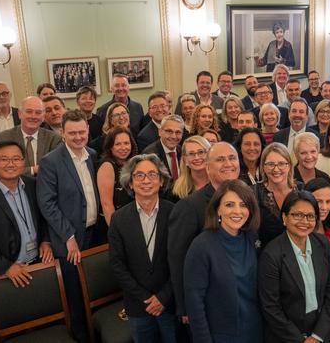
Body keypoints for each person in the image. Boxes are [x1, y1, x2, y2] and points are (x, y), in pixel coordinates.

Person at [37, 110, 101, 341]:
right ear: (62, 133)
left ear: (87, 131)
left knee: (93, 289)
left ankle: (96, 331)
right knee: (74, 295)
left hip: (94, 234)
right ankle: (81, 337)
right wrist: (69, 236)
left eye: (81, 132)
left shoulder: (93, 154)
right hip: (69, 241)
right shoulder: (50, 161)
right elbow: (47, 203)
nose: (77, 137)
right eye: (72, 133)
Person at [167, 142, 240, 324]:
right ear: (208, 167)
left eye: (232, 158)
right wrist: (184, 306)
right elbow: (177, 258)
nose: (228, 164)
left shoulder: (246, 198)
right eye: (220, 159)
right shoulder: (189, 207)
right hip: (208, 301)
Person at [184, 180, 263, 343]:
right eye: (229, 205)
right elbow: (194, 303)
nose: (237, 211)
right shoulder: (201, 246)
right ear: (217, 209)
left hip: (255, 331)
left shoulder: (252, 238)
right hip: (220, 336)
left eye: (243, 205)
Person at [108, 154, 176, 342]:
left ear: (161, 180)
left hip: (170, 303)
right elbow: (117, 265)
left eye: (152, 174)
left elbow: (182, 261)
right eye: (139, 175)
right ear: (130, 183)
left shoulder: (175, 213)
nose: (146, 180)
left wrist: (163, 297)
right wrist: (146, 298)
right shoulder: (118, 219)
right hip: (138, 306)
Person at [0, 140, 53, 282]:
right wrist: (6, 267)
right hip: (6, 273)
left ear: (23, 162)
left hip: (39, 262)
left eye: (16, 159)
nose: (11, 164)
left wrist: (45, 241)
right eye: (3, 159)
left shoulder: (34, 185)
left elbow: (44, 217)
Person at [258, 190, 330, 343]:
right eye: (297, 215)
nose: (304, 221)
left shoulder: (322, 243)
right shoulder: (271, 254)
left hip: (322, 332)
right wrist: (300, 340)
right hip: (286, 337)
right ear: (284, 217)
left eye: (310, 216)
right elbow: (270, 307)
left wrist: (317, 336)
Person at [0, 96, 62, 176]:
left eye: (38, 112)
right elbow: (1, 170)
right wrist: (33, 170)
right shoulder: (4, 138)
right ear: (20, 114)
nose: (33, 116)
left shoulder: (54, 138)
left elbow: (56, 169)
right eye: (29, 112)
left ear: (43, 117)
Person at [256, 143, 301, 247]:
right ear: (263, 167)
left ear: (289, 165)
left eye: (281, 164)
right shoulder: (253, 193)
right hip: (265, 255)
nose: (276, 169)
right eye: (271, 164)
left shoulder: (301, 190)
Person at [97, 127, 135, 225]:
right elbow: (106, 205)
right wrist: (116, 232)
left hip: (130, 220)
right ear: (110, 147)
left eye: (126, 143)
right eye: (118, 144)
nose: (123, 148)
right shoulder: (107, 166)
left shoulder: (132, 164)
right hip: (112, 224)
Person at [143, 115, 184, 180]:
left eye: (178, 132)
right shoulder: (150, 155)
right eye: (169, 131)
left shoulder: (182, 150)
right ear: (160, 132)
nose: (173, 136)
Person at [171, 135, 211, 201]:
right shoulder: (177, 191)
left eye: (201, 152)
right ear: (185, 159)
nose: (197, 157)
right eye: (191, 154)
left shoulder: (219, 184)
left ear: (209, 154)